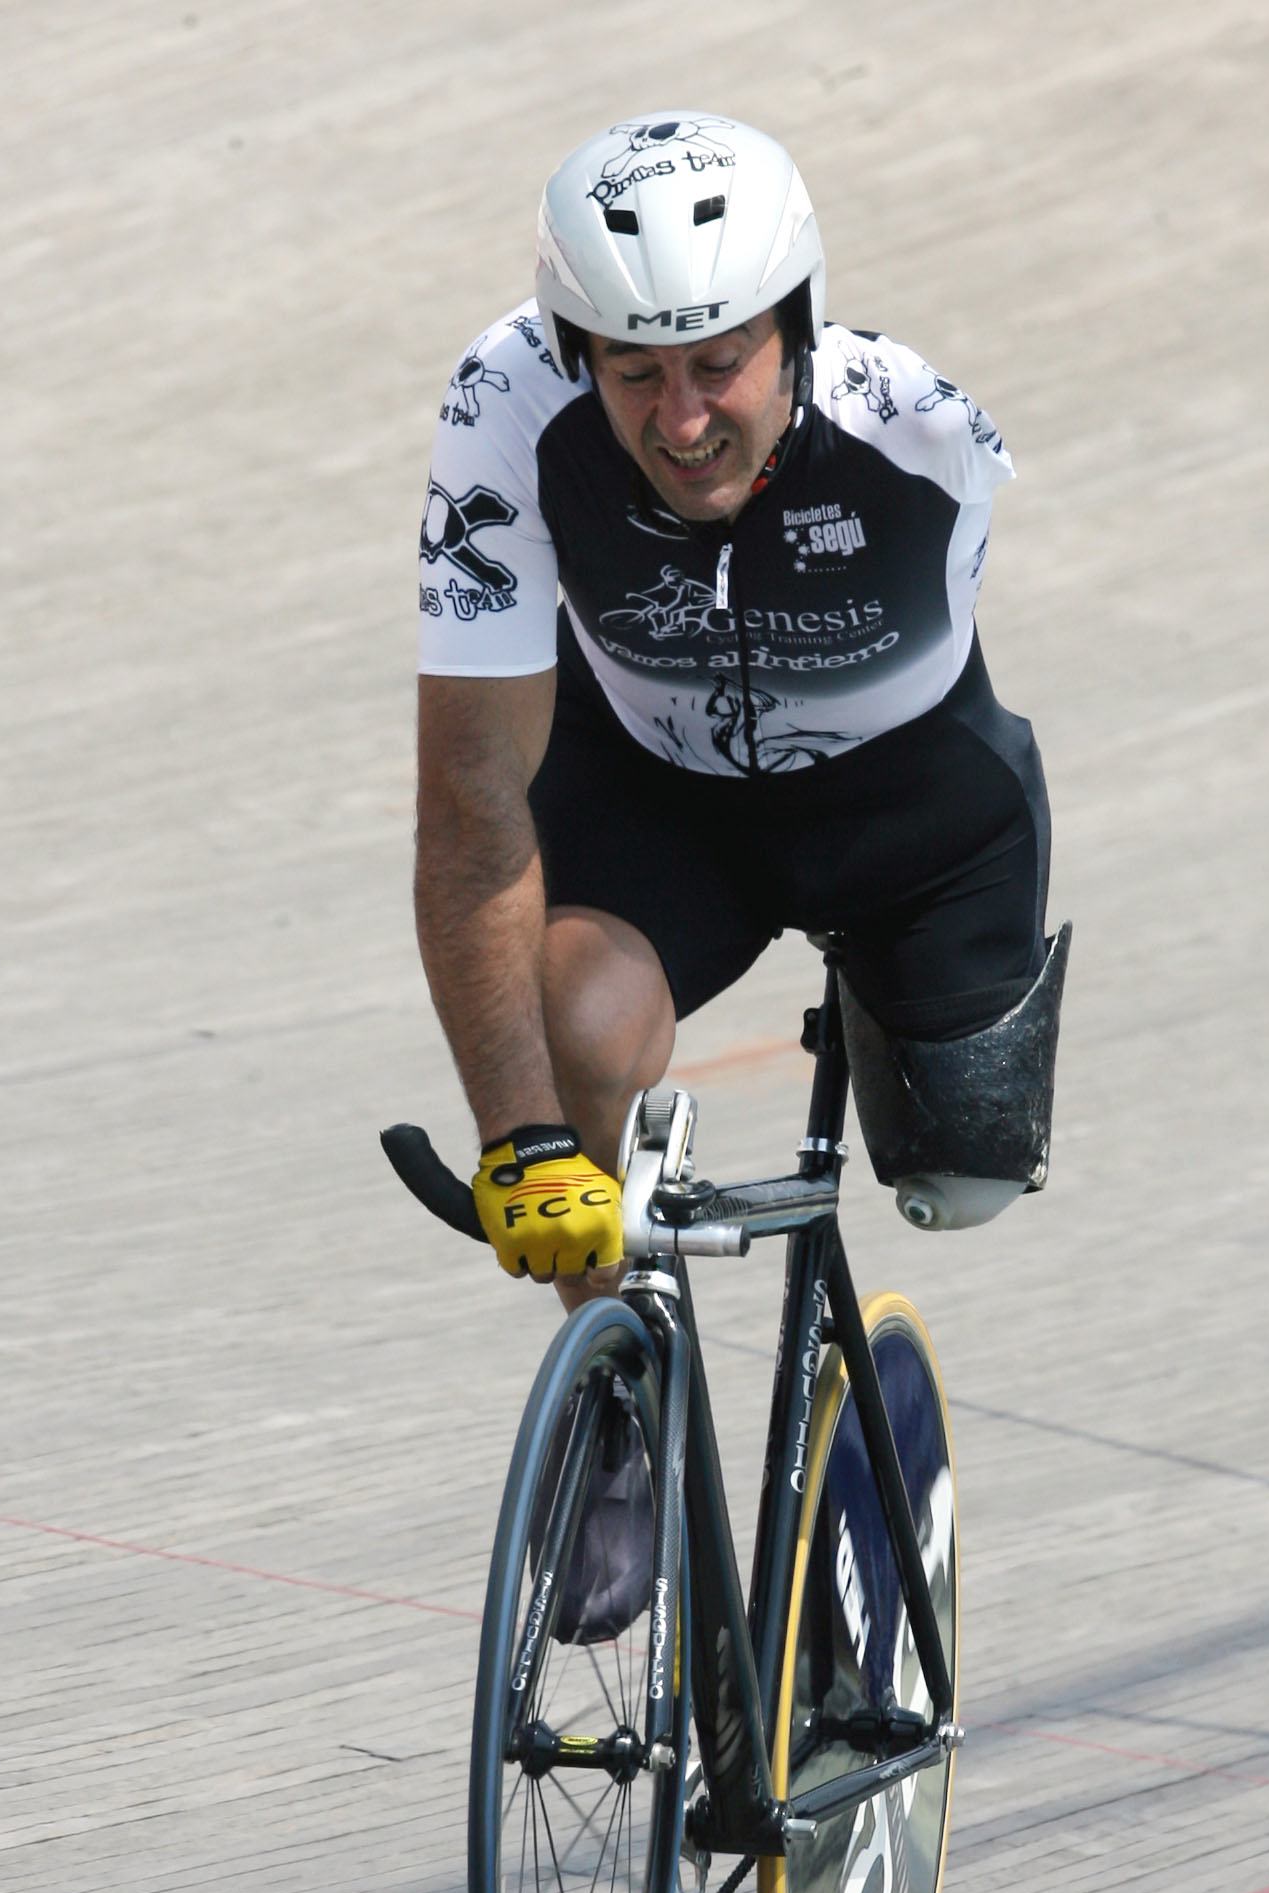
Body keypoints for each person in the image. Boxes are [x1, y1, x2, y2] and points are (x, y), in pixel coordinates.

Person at [415, 110, 1064, 1296]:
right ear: (574, 351)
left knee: (961, 1182)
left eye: (718, 363)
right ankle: (618, 1379)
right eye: (634, 372)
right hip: (660, 804)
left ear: (798, 324)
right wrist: (521, 1136)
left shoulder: (913, 424)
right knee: (579, 1040)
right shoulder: (505, 404)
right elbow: (470, 791)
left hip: (908, 815)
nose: (681, 421)